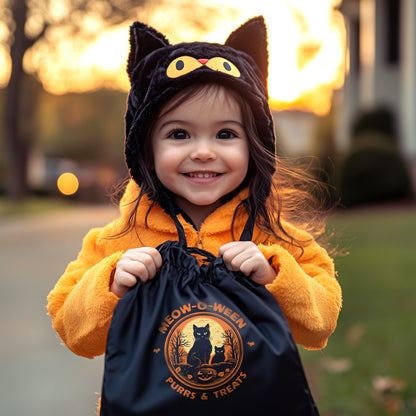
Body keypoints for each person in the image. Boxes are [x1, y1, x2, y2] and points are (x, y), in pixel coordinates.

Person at [47, 14, 341, 384]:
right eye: (180, 134)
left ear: (255, 145)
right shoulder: (115, 242)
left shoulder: (274, 238)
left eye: (225, 134)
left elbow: (321, 322)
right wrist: (110, 284)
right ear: (145, 148)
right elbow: (71, 329)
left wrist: (275, 274)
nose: (203, 152)